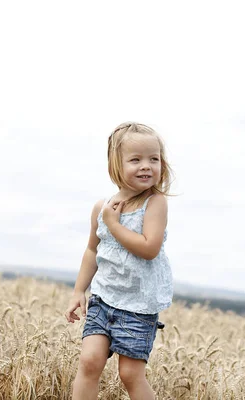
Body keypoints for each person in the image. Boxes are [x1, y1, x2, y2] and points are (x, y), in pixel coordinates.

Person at [64, 122, 174, 400]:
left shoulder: (155, 203)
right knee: (89, 361)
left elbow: (149, 248)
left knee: (130, 374)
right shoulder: (102, 208)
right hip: (103, 298)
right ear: (116, 165)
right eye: (135, 159)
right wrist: (79, 291)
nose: (146, 166)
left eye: (154, 159)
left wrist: (114, 225)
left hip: (138, 305)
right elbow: (92, 251)